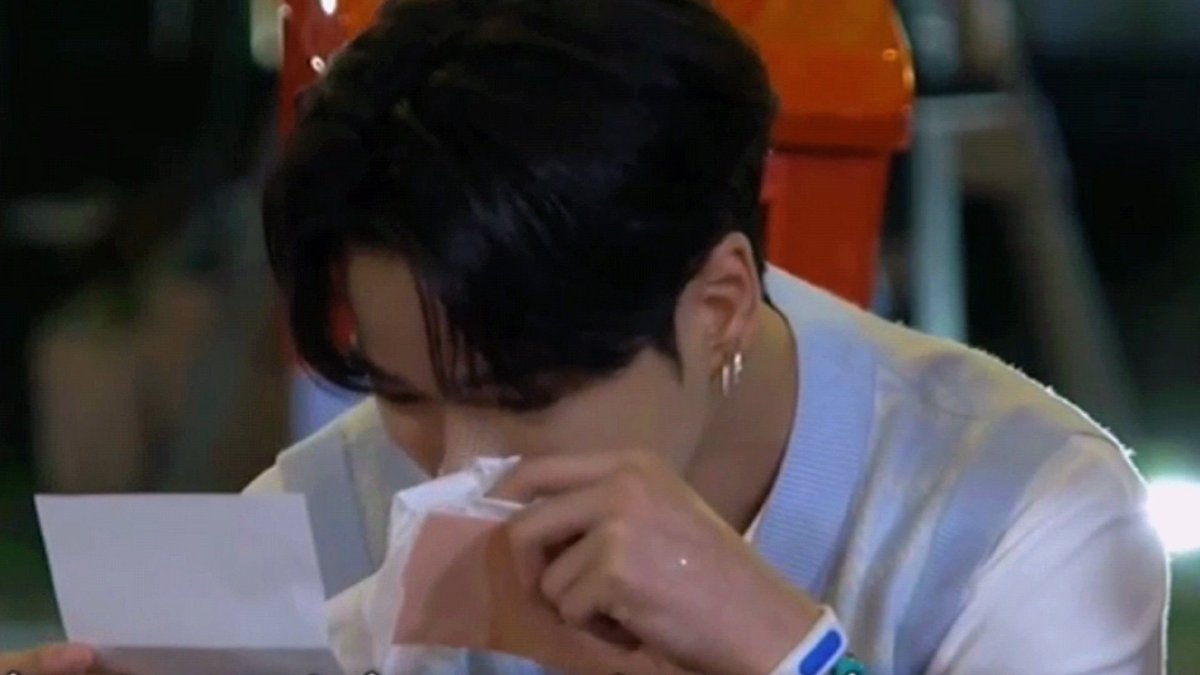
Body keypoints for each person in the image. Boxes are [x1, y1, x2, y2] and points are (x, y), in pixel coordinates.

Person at [3, 0, 1168, 672]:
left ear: (719, 302)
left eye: (524, 395)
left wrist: (788, 654)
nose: (455, 465)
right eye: (402, 390)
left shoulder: (1022, 520)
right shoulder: (332, 512)